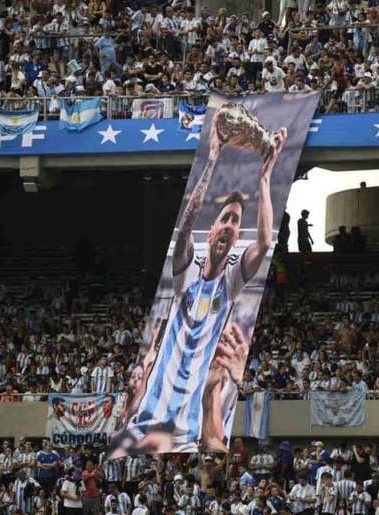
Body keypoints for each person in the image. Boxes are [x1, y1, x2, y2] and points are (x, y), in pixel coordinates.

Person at [110, 108, 288, 455]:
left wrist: (265, 179)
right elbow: (187, 222)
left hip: (190, 425)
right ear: (213, 230)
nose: (231, 226)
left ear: (236, 238)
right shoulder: (184, 272)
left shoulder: (232, 280)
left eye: (237, 222)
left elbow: (265, 243)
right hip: (150, 418)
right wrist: (212, 159)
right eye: (226, 218)